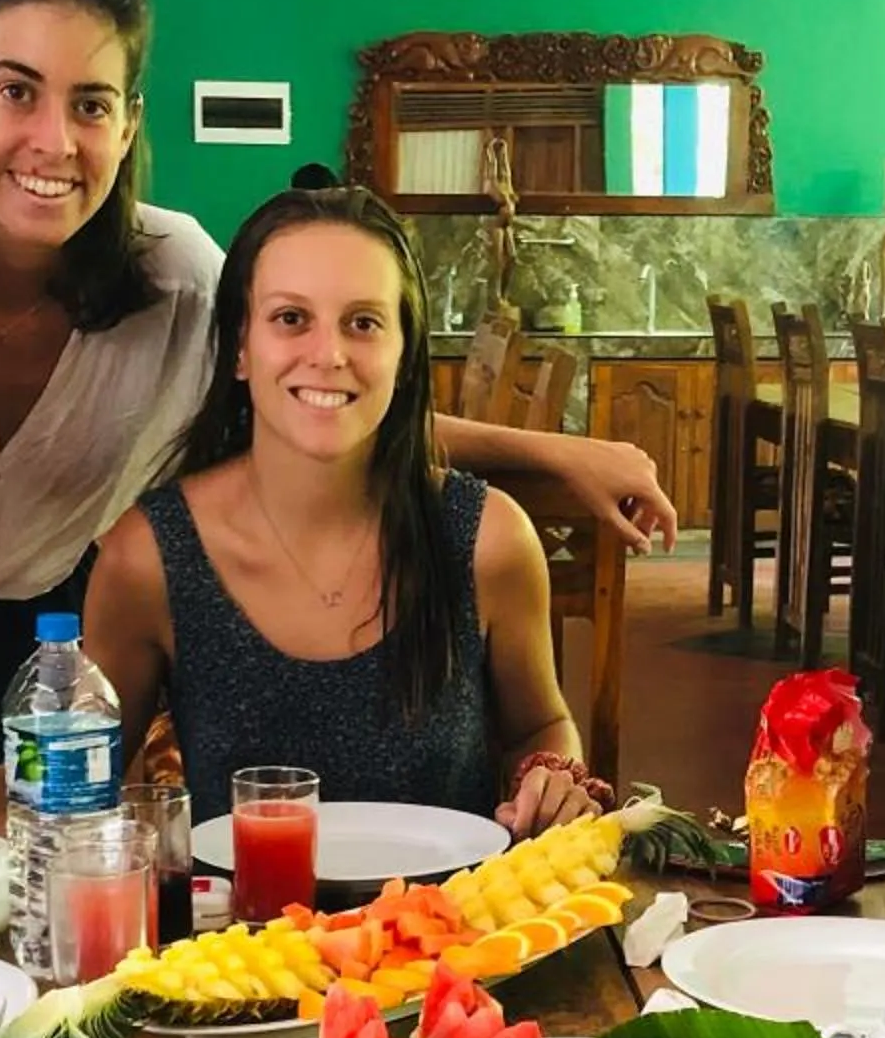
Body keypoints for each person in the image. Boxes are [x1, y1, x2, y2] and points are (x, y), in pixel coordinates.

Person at [0, 0, 677, 776]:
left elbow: (322, 397)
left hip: (55, 648)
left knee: (10, 888)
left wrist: (557, 453)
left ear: (128, 124)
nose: (54, 141)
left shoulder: (175, 275)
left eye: (90, 103)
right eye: (17, 90)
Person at [81, 186, 601, 831]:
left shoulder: (489, 540)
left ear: (405, 355)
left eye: (363, 322)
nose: (328, 356)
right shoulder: (148, 557)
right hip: (242, 930)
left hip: (455, 927)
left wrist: (548, 776)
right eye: (291, 318)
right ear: (240, 347)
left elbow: (541, 725)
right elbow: (81, 787)